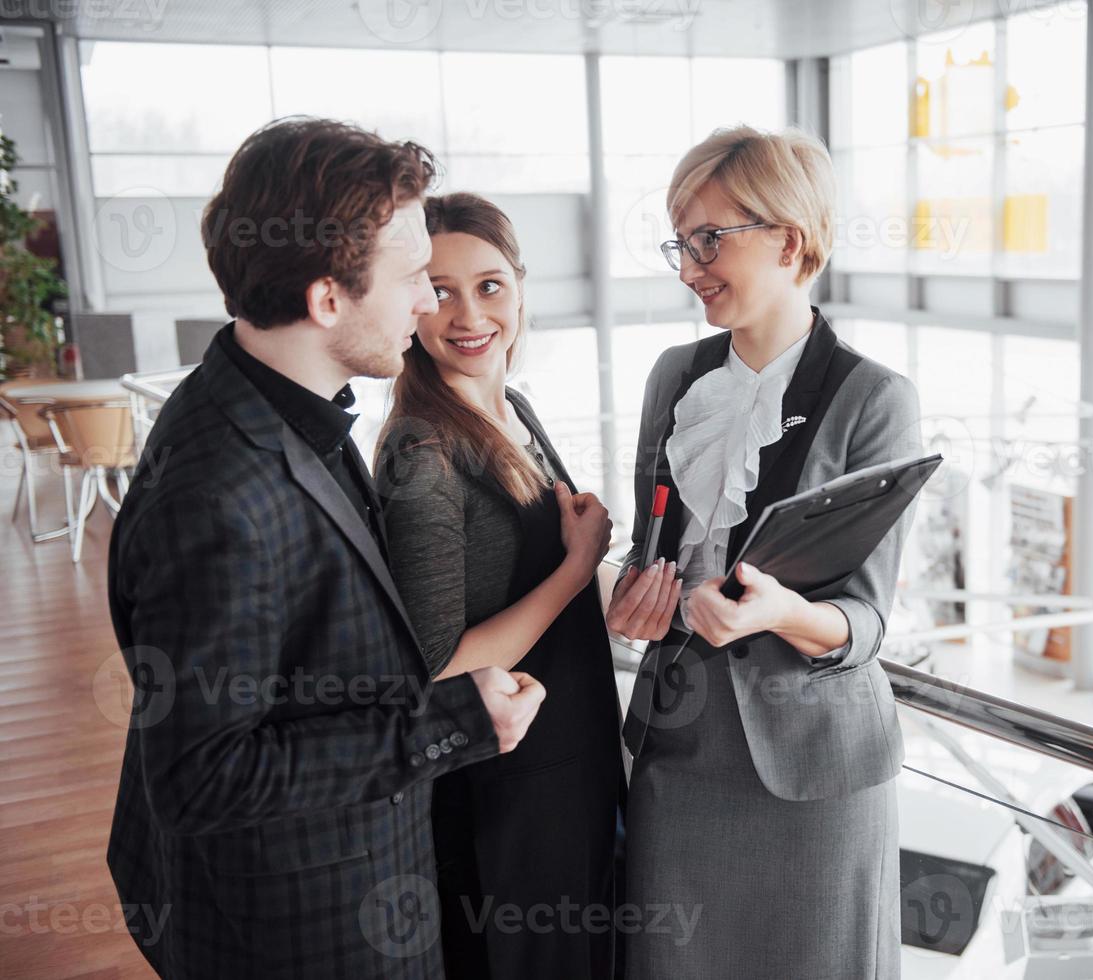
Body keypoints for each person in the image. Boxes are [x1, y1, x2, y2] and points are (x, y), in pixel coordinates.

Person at [106, 118, 545, 979]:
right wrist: (452, 724)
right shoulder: (217, 495)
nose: (429, 303)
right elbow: (200, 776)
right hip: (298, 923)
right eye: (415, 277)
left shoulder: (277, 398)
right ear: (326, 299)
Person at [610, 125, 922, 979]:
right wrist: (637, 600)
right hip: (679, 747)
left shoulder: (871, 398)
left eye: (711, 239)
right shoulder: (674, 378)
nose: (688, 266)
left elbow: (865, 621)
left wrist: (782, 613)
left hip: (813, 767)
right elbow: (654, 551)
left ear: (788, 239)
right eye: (683, 241)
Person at [375, 192, 627, 979]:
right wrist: (578, 568)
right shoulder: (422, 451)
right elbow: (438, 666)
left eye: (488, 286)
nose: (465, 314)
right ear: (412, 301)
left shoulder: (512, 408)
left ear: (520, 289)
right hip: (504, 787)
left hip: (570, 755)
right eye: (438, 289)